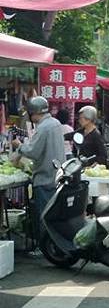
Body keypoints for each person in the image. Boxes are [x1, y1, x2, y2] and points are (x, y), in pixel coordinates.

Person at [12, 97, 65, 244]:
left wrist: (19, 145)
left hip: (45, 177)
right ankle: (53, 244)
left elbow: (34, 152)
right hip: (56, 175)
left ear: (33, 113)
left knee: (44, 215)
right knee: (53, 214)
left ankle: (46, 246)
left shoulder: (43, 127)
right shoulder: (55, 123)